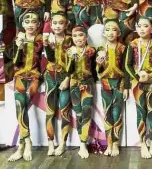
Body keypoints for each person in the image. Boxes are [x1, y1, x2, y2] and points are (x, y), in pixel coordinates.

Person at [124, 16, 152, 159]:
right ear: (135, 28)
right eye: (139, 26)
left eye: (145, 26)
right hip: (137, 83)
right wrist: (137, 77)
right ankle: (143, 143)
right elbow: (127, 65)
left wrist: (150, 75)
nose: (142, 28)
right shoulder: (133, 44)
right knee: (141, 112)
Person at [8, 11, 43, 162]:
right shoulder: (17, 39)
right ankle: (26, 142)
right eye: (27, 21)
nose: (30, 24)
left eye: (33, 21)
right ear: (22, 24)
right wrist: (18, 47)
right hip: (20, 76)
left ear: (38, 25)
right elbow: (15, 62)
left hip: (35, 77)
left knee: (22, 106)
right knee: (19, 104)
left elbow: (47, 60)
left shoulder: (42, 40)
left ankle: (22, 144)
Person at [95, 15, 129, 157]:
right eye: (107, 30)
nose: (110, 32)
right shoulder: (101, 48)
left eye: (113, 30)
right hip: (105, 83)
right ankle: (109, 142)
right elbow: (97, 71)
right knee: (107, 114)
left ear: (119, 33)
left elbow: (127, 68)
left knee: (117, 114)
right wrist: (98, 63)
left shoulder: (123, 48)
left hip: (119, 83)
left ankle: (116, 143)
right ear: (103, 33)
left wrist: (126, 86)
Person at [62, 26, 97, 159]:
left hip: (88, 83)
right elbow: (68, 71)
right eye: (75, 36)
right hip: (74, 83)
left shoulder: (91, 51)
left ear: (86, 37)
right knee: (79, 113)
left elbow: (95, 68)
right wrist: (72, 58)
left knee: (87, 111)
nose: (78, 38)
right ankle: (82, 141)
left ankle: (83, 143)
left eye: (81, 35)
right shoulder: (69, 51)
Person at [43, 12, 73, 156]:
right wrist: (47, 45)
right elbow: (49, 58)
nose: (57, 26)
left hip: (65, 77)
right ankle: (50, 143)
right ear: (51, 24)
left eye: (61, 23)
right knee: (50, 111)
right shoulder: (48, 39)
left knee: (65, 110)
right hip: (50, 76)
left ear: (66, 25)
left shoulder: (71, 40)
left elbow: (75, 63)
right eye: (54, 23)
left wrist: (68, 78)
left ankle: (62, 144)